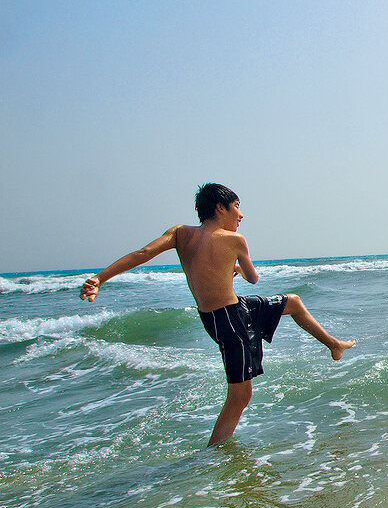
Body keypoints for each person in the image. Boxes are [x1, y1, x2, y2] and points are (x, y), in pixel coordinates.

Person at [80, 183, 356, 446]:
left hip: (219, 316)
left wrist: (99, 279)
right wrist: (237, 267)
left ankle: (334, 344)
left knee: (293, 302)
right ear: (220, 208)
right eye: (237, 206)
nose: (241, 214)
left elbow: (143, 253)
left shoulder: (180, 233)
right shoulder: (235, 240)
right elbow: (254, 278)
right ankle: (213, 453)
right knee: (240, 396)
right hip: (232, 320)